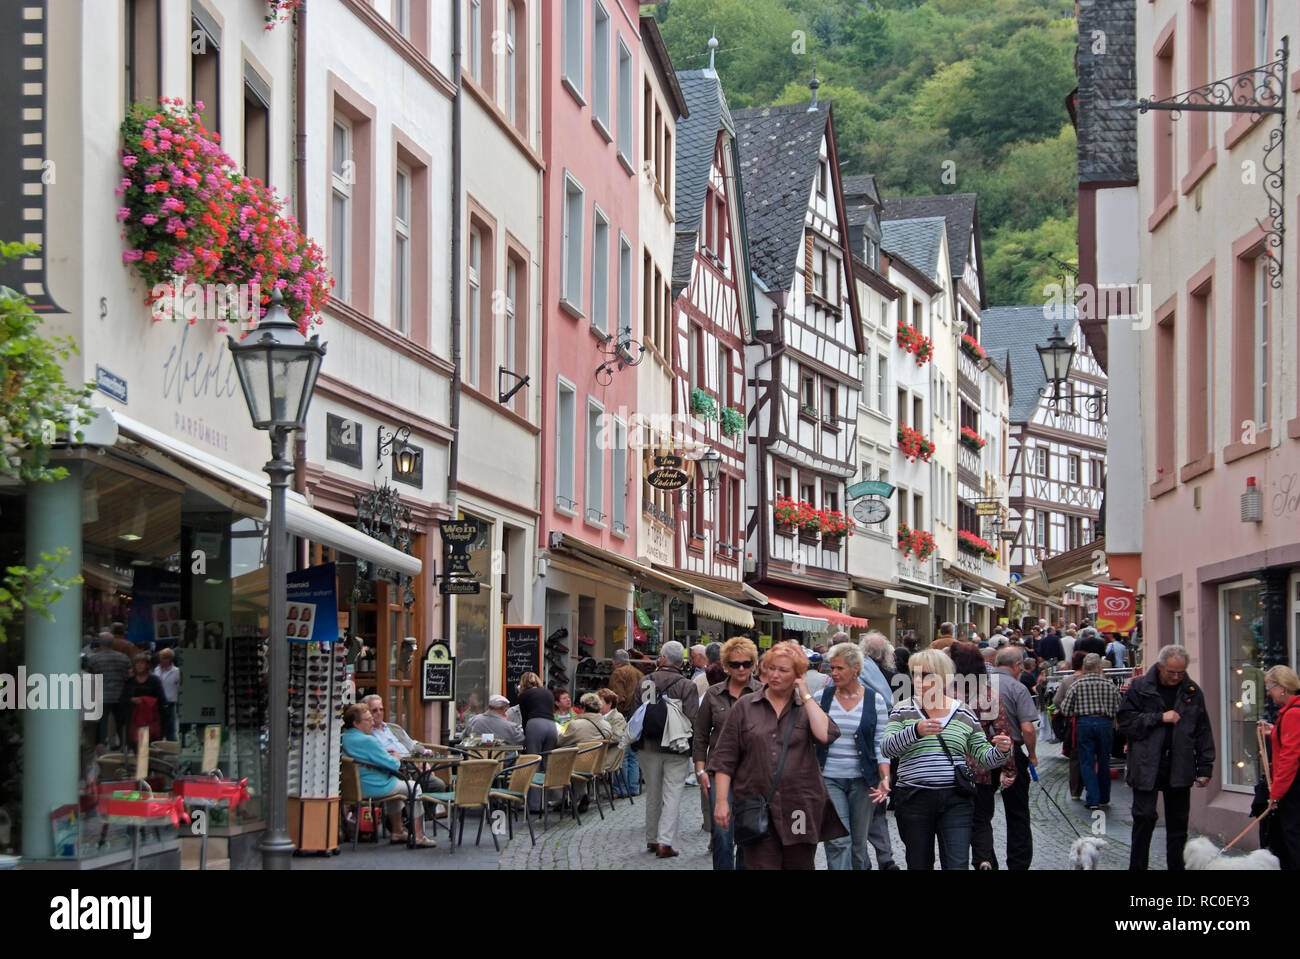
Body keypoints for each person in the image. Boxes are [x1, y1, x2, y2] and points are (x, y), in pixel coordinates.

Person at [709, 641, 847, 869]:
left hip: (799, 808)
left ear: (797, 674)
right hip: (757, 806)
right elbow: (725, 758)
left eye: (783, 670)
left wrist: (805, 695)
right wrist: (722, 802)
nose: (775, 675)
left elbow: (825, 735)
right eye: (771, 668)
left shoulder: (806, 709)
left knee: (799, 864)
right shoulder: (745, 707)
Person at [881, 649, 1011, 870]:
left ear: (943, 677)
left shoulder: (963, 712)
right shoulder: (903, 710)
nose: (919, 681)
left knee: (957, 864)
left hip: (955, 799)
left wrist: (1001, 750)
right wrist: (916, 731)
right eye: (915, 674)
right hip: (913, 798)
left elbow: (983, 757)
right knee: (919, 864)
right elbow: (887, 748)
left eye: (926, 675)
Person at [1117, 644, 1214, 870]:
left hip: (1179, 764)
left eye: (1181, 672)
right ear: (1160, 666)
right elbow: (1126, 723)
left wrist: (1205, 766)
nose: (1176, 677)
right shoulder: (1140, 687)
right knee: (1144, 819)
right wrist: (1159, 717)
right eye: (1171, 672)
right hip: (1146, 763)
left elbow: (1202, 731)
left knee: (1178, 825)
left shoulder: (1191, 691)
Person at [817, 642, 890, 870]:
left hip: (863, 780)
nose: (834, 673)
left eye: (839, 668)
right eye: (832, 668)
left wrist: (884, 777)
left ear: (856, 669)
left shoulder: (874, 700)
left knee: (858, 844)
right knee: (837, 840)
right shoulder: (822, 698)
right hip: (829, 778)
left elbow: (881, 743)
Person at [693, 636, 762, 869]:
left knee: (747, 832)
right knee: (722, 833)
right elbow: (700, 734)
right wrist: (700, 770)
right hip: (718, 770)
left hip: (752, 773)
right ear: (725, 666)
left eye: (746, 663)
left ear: (754, 664)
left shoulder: (763, 693)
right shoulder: (713, 694)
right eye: (735, 664)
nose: (741, 669)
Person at [949, 641, 1016, 871]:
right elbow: (1003, 734)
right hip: (981, 769)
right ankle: (983, 861)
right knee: (981, 821)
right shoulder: (989, 694)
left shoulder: (943, 693)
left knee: (953, 824)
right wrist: (1009, 769)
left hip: (949, 769)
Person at [635, 641, 700, 858]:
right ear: (680, 662)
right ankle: (665, 842)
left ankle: (652, 839)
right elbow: (693, 719)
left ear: (662, 658)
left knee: (652, 792)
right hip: (676, 747)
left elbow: (637, 714)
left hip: (647, 745)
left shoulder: (645, 682)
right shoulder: (687, 686)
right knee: (672, 794)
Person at [341, 704, 435, 847]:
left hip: (353, 787)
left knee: (397, 785)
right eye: (368, 720)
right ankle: (418, 836)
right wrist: (396, 757)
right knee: (414, 788)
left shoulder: (344, 738)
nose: (372, 723)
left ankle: (397, 831)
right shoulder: (368, 740)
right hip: (374, 786)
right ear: (356, 723)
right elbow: (393, 765)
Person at [988, 647, 1038, 869]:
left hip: (982, 752)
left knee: (981, 813)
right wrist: (1033, 755)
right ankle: (1018, 864)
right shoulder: (1018, 688)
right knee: (1017, 812)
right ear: (1018, 665)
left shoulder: (978, 685)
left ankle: (986, 860)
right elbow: (1027, 728)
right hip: (1011, 750)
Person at [1059, 653, 1121, 810]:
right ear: (1099, 667)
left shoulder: (1077, 685)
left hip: (1084, 723)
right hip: (1105, 723)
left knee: (1087, 762)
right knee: (1104, 761)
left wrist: (1077, 711)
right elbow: (1119, 708)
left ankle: (1092, 799)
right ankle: (1104, 797)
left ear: (1084, 668)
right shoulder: (1109, 685)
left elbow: (1065, 709)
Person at [1261, 666, 1300, 868]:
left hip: (1293, 788)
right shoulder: (1290, 713)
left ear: (1283, 688)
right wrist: (1274, 731)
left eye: (1270, 686)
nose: (1268, 692)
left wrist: (1275, 793)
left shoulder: (1293, 714)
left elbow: (1289, 757)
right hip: (1292, 786)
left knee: (1292, 840)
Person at [558, 693, 613, 812]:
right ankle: (580, 796)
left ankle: (566, 798)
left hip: (578, 766)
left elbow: (561, 741)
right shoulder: (607, 725)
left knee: (563, 758)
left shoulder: (576, 725)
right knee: (582, 760)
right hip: (599, 765)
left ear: (583, 707)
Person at [1053, 650, 1090, 799]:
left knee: (1075, 758)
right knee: (1091, 755)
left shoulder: (1067, 680)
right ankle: (1092, 787)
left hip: (1073, 721)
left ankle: (1075, 791)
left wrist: (1066, 709)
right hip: (1090, 721)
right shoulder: (1094, 678)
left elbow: (1056, 700)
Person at [87, 632, 132, 748]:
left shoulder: (93, 659)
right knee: (121, 723)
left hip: (101, 696)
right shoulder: (123, 658)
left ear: (100, 643)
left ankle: (102, 747)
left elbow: (90, 679)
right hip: (120, 695)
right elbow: (128, 677)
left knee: (102, 725)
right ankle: (124, 747)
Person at [609, 650, 643, 797]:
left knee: (622, 753)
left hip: (624, 716)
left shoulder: (618, 673)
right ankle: (634, 787)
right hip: (637, 717)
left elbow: (618, 697)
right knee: (633, 755)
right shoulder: (639, 673)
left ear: (614, 662)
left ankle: (621, 789)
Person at [122, 653, 165, 745]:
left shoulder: (154, 680)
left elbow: (162, 699)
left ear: (147, 665)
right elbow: (123, 698)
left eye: (142, 663)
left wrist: (146, 700)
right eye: (137, 663)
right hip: (134, 719)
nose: (139, 665)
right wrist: (131, 700)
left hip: (151, 719)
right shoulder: (130, 681)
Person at [517, 672, 558, 760]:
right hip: (552, 725)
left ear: (523, 683)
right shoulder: (549, 693)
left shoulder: (524, 695)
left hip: (536, 724)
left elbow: (525, 718)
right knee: (547, 759)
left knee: (533, 759)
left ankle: (534, 774)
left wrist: (525, 735)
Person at [595, 687, 630, 777]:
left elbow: (616, 737)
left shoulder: (618, 717)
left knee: (577, 765)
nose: (596, 705)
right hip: (596, 753)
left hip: (608, 756)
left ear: (609, 704)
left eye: (599, 702)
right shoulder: (597, 716)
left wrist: (595, 739)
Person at [152, 648, 180, 740]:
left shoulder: (176, 671)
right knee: (159, 725)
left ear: (170, 659)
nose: (162, 660)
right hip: (158, 701)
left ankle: (171, 743)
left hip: (170, 700)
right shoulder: (156, 670)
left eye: (165, 658)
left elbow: (179, 686)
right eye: (161, 658)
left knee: (170, 725)